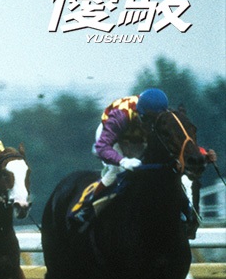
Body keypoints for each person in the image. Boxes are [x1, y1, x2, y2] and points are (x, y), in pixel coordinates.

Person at [71, 88, 216, 234]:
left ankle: (187, 213)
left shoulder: (162, 115)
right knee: (117, 172)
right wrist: (123, 162)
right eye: (148, 120)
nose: (150, 125)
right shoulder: (120, 117)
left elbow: (179, 143)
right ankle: (86, 209)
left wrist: (202, 153)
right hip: (113, 138)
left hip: (138, 138)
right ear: (141, 114)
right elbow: (102, 148)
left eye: (155, 121)